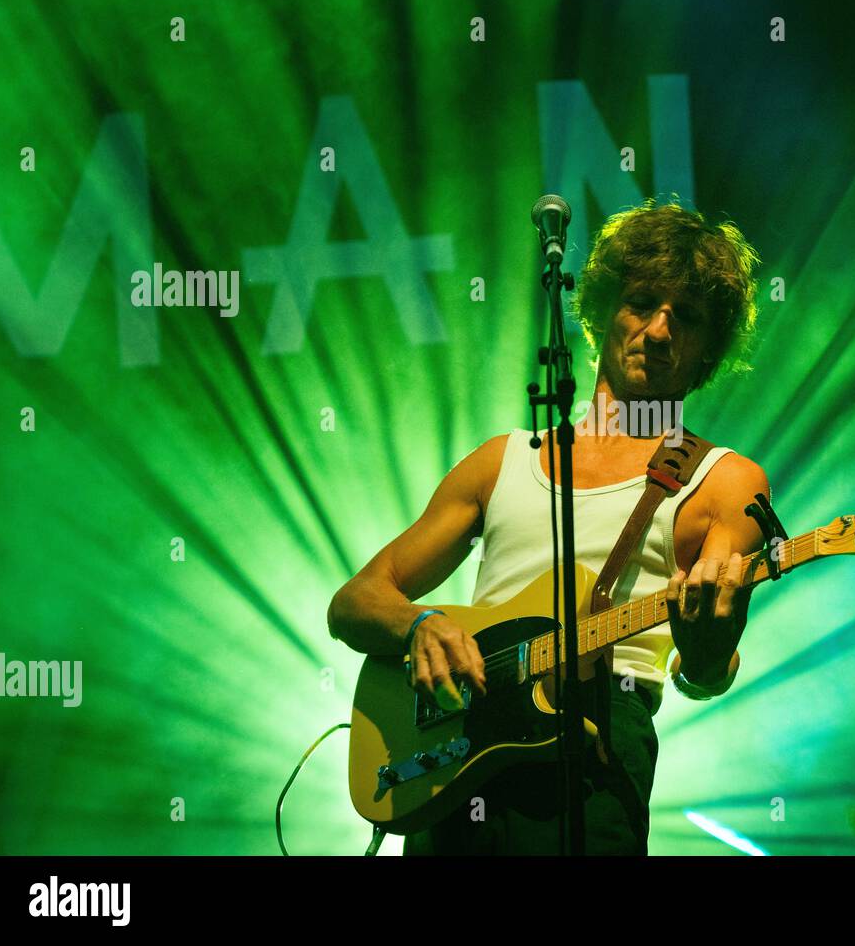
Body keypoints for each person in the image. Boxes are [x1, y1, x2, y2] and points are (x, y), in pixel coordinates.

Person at [327, 197, 770, 854]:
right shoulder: (500, 462)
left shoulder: (727, 480)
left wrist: (711, 642)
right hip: (457, 758)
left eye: (689, 318)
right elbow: (355, 601)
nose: (658, 330)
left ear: (707, 349)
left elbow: (701, 669)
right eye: (642, 301)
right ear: (599, 310)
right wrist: (420, 625)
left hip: (599, 757)